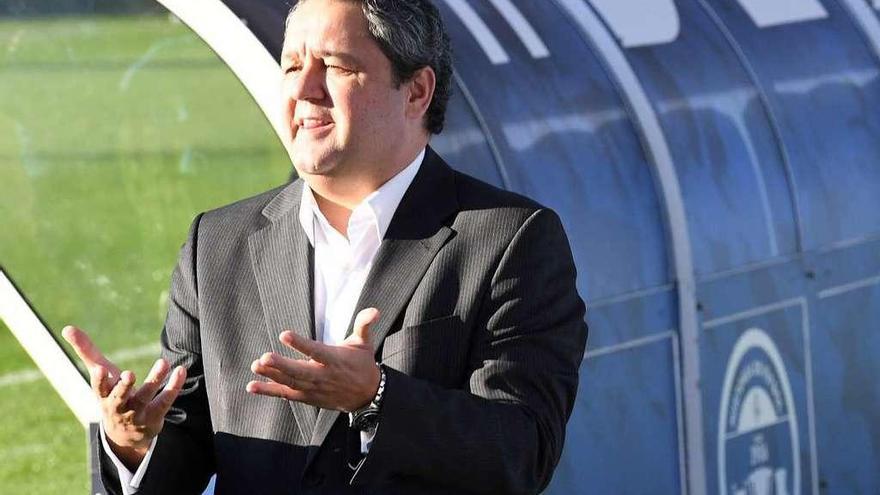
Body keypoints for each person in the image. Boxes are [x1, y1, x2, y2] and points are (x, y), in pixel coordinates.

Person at [63, 0, 588, 493]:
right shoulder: (217, 243)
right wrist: (130, 443)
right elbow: (186, 445)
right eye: (292, 66)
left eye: (335, 66)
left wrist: (376, 396)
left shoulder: (510, 238)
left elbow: (523, 449)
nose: (305, 89)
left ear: (416, 92)